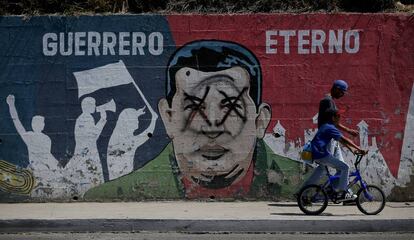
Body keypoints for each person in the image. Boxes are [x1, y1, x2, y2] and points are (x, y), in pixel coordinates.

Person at [84, 40, 305, 200]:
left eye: (230, 107)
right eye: (193, 107)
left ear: (260, 121)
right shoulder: (115, 193)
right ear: (168, 117)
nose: (211, 127)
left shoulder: (309, 181)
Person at [302, 110, 367, 201]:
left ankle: (326, 190)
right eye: (338, 118)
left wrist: (353, 149)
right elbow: (345, 139)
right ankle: (342, 192)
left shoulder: (326, 126)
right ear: (333, 118)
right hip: (322, 154)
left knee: (333, 170)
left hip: (317, 154)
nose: (339, 120)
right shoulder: (330, 128)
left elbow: (341, 140)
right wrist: (359, 149)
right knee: (345, 167)